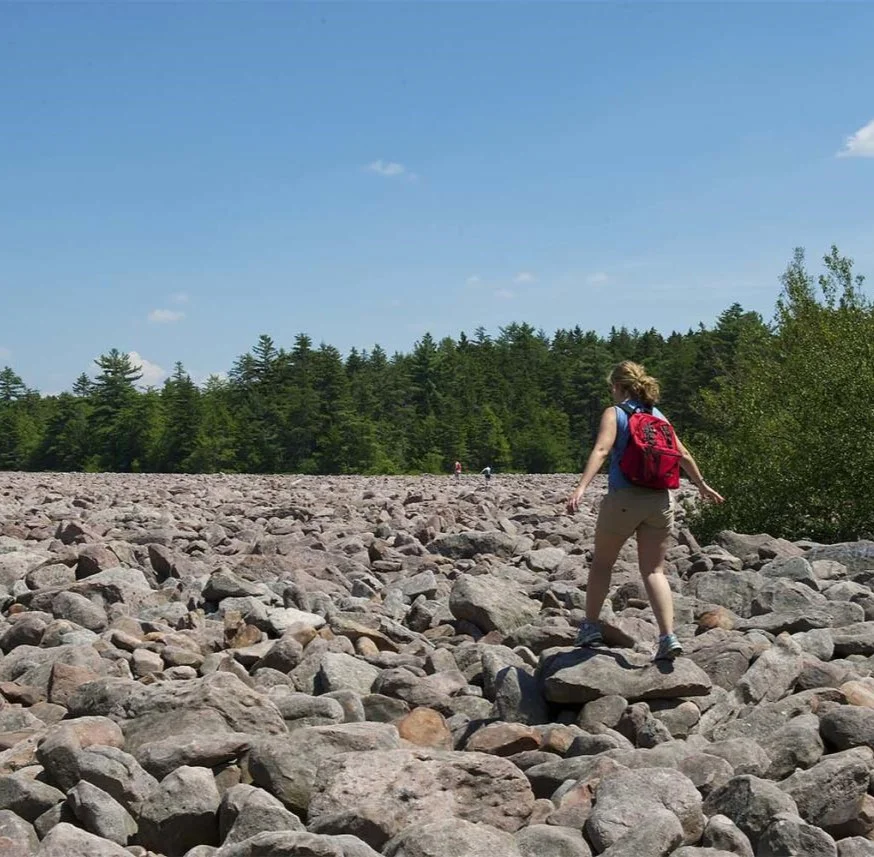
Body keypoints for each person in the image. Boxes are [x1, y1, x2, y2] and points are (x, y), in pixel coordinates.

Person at [566, 360, 724, 661]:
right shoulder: (658, 415)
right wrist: (702, 485)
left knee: (602, 563)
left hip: (625, 498)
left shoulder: (615, 413)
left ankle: (590, 628)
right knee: (654, 570)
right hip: (661, 501)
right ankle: (668, 637)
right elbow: (682, 453)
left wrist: (581, 487)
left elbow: (601, 450)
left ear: (617, 386)